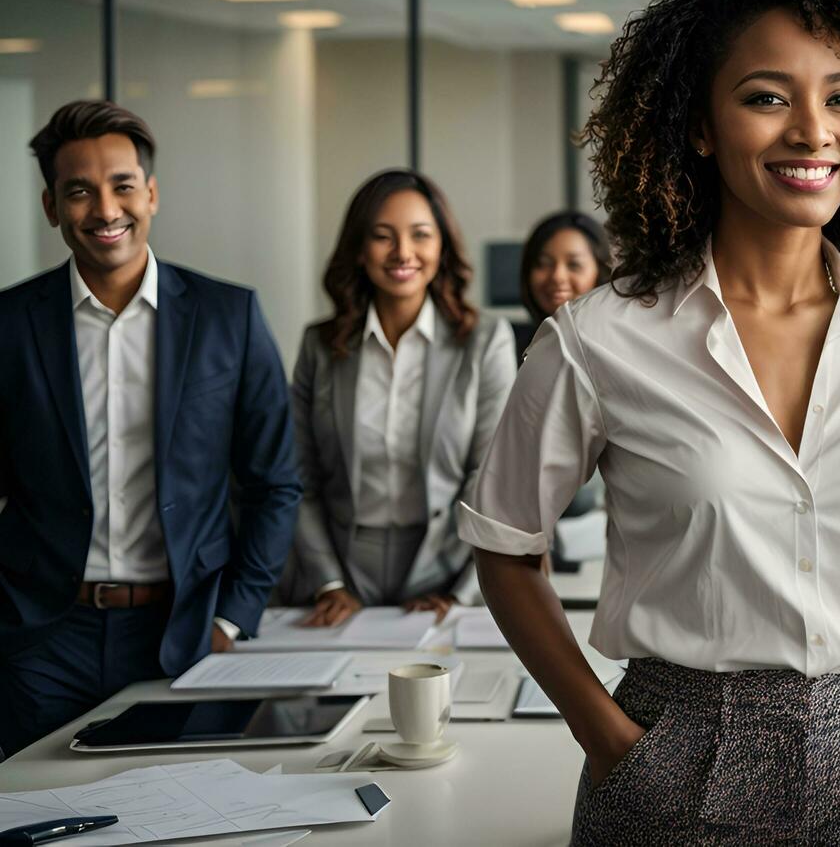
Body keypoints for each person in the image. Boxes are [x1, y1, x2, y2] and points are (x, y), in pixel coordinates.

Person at [457, 0, 840, 844]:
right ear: (698, 124)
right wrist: (605, 736)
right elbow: (503, 547)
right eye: (767, 98)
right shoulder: (598, 337)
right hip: (676, 747)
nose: (813, 131)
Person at [0, 100, 300, 758]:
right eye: (79, 191)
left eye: (123, 186)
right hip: (43, 639)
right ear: (52, 207)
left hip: (184, 632)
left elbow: (275, 483)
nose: (106, 210)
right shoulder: (9, 325)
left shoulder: (230, 317)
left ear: (152, 194)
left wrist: (232, 617)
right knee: (29, 810)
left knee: (178, 809)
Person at [283, 169, 517, 625]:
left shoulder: (485, 341)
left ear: (442, 246)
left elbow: (493, 478)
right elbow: (298, 478)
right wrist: (329, 583)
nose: (402, 253)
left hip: (448, 567)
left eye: (420, 235)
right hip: (338, 571)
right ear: (358, 249)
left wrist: (465, 591)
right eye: (382, 236)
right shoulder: (320, 345)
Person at [513, 210, 612, 362]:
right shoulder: (510, 348)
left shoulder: (612, 351)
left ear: (601, 272)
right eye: (544, 264)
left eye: (574, 265)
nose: (557, 277)